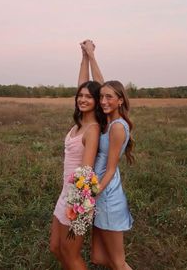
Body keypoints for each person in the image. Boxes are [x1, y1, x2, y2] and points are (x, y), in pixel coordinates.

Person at [49, 42, 104, 270]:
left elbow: (86, 173)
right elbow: (84, 85)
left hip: (79, 200)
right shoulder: (80, 123)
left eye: (89, 97)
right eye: (80, 96)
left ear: (98, 101)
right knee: (55, 247)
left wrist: (92, 56)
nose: (82, 99)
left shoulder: (92, 129)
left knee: (71, 255)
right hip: (65, 193)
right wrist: (82, 57)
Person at [80, 40, 134, 270]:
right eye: (101, 97)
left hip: (107, 195)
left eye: (110, 98)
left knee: (118, 262)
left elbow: (110, 169)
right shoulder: (107, 119)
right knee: (99, 258)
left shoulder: (117, 127)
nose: (103, 101)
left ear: (121, 99)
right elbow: (103, 87)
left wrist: (89, 196)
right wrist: (89, 56)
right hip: (99, 192)